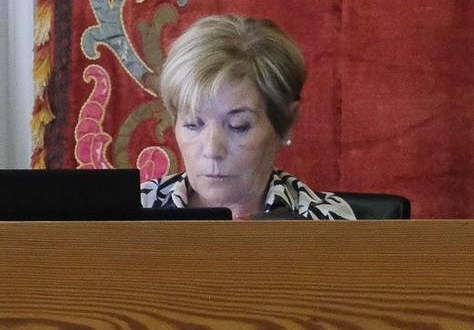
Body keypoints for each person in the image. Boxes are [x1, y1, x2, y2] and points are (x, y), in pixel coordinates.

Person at [140, 14, 355, 221]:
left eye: (238, 126)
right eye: (193, 124)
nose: (212, 150)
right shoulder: (130, 213)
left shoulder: (328, 223)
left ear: (286, 122)